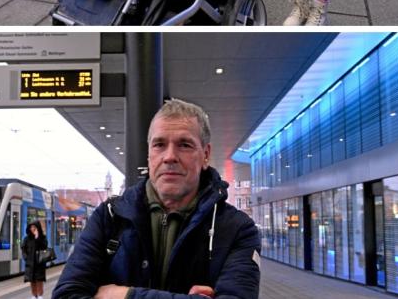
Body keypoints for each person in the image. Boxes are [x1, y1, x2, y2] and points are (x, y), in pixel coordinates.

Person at [53, 99, 261, 299]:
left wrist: (126, 295)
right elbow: (66, 294)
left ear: (205, 155)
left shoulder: (237, 230)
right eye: (159, 144)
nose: (169, 156)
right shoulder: (108, 218)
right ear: (149, 155)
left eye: (184, 145)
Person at [22, 221, 49, 299]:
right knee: (32, 280)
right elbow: (23, 249)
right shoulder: (27, 239)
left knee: (39, 280)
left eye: (34, 227)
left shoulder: (42, 238)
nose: (33, 229)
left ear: (38, 228)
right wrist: (26, 258)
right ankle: (34, 295)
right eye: (31, 227)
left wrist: (37, 238)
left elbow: (44, 247)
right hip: (30, 263)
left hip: (39, 263)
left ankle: (40, 295)